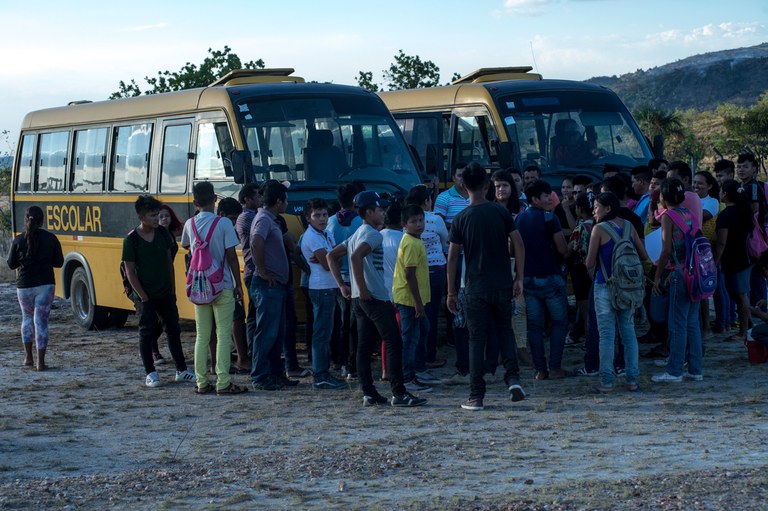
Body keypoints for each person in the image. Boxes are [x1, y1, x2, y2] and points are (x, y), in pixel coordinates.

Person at [327, 191, 427, 407]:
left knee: (363, 346)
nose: (383, 213)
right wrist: (362, 288)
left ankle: (369, 392)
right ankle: (399, 393)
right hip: (373, 296)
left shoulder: (357, 233)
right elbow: (354, 257)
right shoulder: (373, 234)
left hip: (358, 299)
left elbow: (331, 256)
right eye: (379, 209)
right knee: (393, 342)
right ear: (369, 211)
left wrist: (344, 286)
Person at [447, 162, 526, 411]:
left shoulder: (460, 219)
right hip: (502, 282)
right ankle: (513, 378)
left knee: (476, 339)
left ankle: (476, 395)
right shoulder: (500, 213)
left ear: (462, 185)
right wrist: (519, 278)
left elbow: (452, 258)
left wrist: (450, 291)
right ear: (486, 185)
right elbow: (519, 245)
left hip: (475, 286)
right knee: (505, 331)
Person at [122, 196, 196, 387]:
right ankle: (151, 373)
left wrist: (172, 290)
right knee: (146, 332)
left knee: (173, 329)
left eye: (157, 214)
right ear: (141, 216)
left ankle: (182, 370)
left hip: (165, 294)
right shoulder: (131, 240)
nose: (157, 219)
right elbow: (130, 271)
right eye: (153, 215)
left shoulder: (163, 234)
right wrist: (143, 297)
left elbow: (168, 264)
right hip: (145, 296)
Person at [181, 182, 247, 395]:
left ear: (195, 202)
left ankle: (201, 382)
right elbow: (231, 257)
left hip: (200, 286)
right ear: (215, 200)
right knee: (223, 334)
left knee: (202, 335)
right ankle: (223, 382)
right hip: (223, 285)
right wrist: (238, 284)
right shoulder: (224, 224)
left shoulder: (189, 224)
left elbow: (185, 246)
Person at [586, 192, 648, 393]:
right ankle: (632, 380)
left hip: (605, 285)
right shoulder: (629, 226)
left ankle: (606, 381)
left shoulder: (599, 229)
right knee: (628, 333)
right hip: (628, 288)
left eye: (596, 207)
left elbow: (590, 262)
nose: (594, 211)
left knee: (606, 334)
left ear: (607, 208)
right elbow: (644, 255)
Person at [651, 178, 703, 383]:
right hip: (695, 272)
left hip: (679, 274)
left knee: (677, 324)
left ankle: (674, 371)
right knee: (692, 323)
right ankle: (695, 369)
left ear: (662, 197)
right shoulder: (689, 214)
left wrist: (657, 277)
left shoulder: (668, 216)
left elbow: (665, 251)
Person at [516, 180, 569, 380]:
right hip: (550, 277)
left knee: (534, 326)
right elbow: (562, 249)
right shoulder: (550, 218)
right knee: (558, 322)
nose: (550, 199)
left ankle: (540, 369)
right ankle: (555, 367)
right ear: (535, 199)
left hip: (527, 279)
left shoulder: (519, 219)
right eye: (546, 196)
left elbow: (513, 247)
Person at [248, 181, 298, 391]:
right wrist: (263, 270)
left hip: (277, 285)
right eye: (285, 200)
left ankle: (276, 373)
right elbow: (256, 242)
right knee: (266, 333)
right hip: (267, 285)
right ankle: (260, 376)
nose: (287, 203)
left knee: (276, 333)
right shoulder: (263, 219)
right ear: (278, 202)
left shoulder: (273, 219)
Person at [7, 205, 63, 371]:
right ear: (42, 221)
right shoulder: (51, 238)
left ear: (26, 220)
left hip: (24, 286)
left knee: (26, 319)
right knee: (41, 322)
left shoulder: (18, 240)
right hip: (45, 286)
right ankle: (41, 362)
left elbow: (11, 264)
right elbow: (59, 262)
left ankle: (28, 358)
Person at [300, 198, 347, 390]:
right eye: (317, 215)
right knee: (321, 333)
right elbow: (330, 264)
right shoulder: (311, 236)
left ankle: (323, 372)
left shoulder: (326, 233)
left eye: (325, 215)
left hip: (328, 287)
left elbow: (338, 262)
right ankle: (320, 375)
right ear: (308, 218)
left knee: (326, 332)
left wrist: (331, 258)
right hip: (321, 288)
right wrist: (331, 258)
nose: (322, 219)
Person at [404, 184, 449, 374]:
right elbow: (446, 241)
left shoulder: (405, 221)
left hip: (414, 271)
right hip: (436, 270)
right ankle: (429, 355)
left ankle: (417, 355)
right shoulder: (434, 220)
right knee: (431, 314)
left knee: (417, 314)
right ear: (426, 201)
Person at [393, 204, 433, 393]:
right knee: (410, 338)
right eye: (413, 221)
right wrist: (418, 303)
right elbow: (409, 275)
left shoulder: (416, 240)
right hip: (409, 300)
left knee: (422, 330)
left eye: (421, 220)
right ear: (404, 224)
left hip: (414, 299)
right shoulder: (410, 242)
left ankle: (418, 370)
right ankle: (408, 378)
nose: (419, 224)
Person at [326, 183, 364, 378]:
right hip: (356, 281)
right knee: (354, 325)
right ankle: (352, 363)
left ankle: (338, 361)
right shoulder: (361, 224)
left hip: (335, 279)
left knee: (338, 322)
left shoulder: (329, 221)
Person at [714, 180, 753, 342]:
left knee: (740, 295)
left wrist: (714, 261)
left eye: (721, 190)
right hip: (745, 257)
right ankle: (748, 327)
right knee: (740, 295)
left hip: (734, 260)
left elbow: (721, 242)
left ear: (725, 194)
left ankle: (743, 332)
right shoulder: (744, 211)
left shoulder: (725, 215)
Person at [151, 204, 183, 364]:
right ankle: (153, 349)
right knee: (158, 320)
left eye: (167, 216)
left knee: (169, 320)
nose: (164, 219)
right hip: (154, 283)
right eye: (160, 216)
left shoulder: (169, 234)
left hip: (167, 281)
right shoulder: (153, 235)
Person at [736, 153, 767, 311]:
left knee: (756, 274)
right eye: (739, 166)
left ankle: (760, 310)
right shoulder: (742, 186)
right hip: (748, 235)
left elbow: (754, 210)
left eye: (745, 167)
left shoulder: (753, 186)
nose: (741, 170)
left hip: (753, 236)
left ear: (754, 169)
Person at [235, 182, 262, 358]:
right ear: (247, 199)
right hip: (253, 271)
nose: (261, 199)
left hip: (254, 271)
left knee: (254, 313)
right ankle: (253, 350)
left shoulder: (254, 215)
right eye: (258, 196)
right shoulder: (247, 217)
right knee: (254, 315)